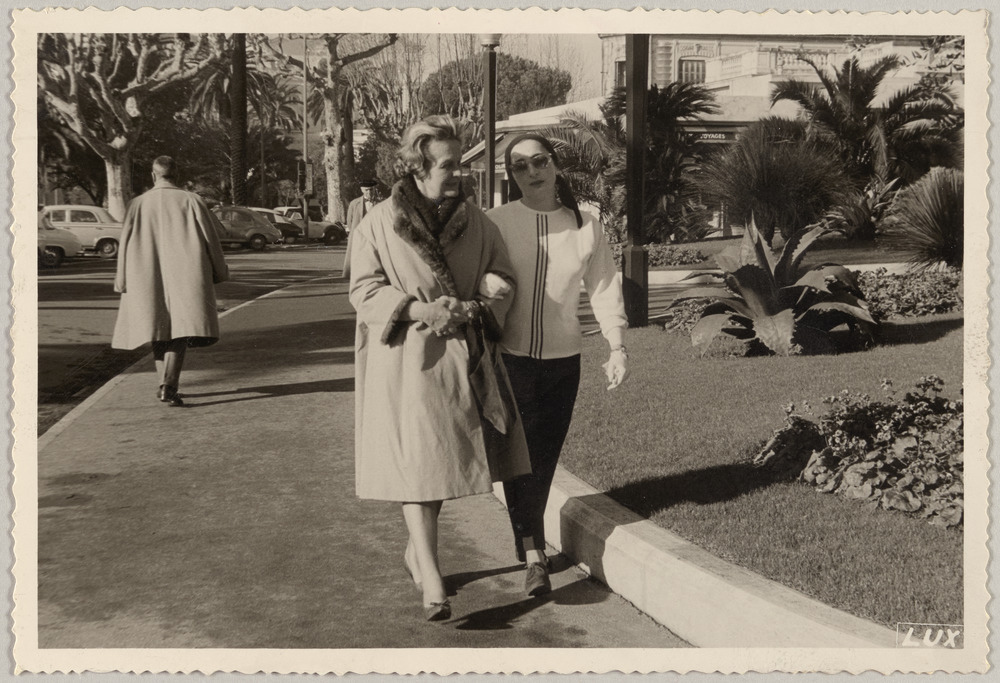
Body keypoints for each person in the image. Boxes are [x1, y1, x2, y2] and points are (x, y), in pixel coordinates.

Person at [349, 116, 530, 621]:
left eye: (458, 165)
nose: (458, 174)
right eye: (449, 165)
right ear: (418, 166)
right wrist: (419, 309)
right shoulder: (377, 223)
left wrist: (479, 302)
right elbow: (363, 290)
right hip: (407, 362)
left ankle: (417, 553)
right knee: (419, 468)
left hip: (462, 361)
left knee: (437, 467)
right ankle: (431, 576)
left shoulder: (479, 223)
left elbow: (503, 277)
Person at [486, 133, 630, 597]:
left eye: (540, 161)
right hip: (510, 360)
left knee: (543, 459)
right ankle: (533, 554)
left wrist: (617, 346)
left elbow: (604, 286)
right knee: (519, 458)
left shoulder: (585, 225)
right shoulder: (497, 222)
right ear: (511, 176)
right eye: (520, 166)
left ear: (554, 164)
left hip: (563, 363)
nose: (532, 171)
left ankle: (527, 540)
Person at [111, 156, 229, 406]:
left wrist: (121, 278)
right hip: (187, 273)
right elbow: (211, 240)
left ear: (153, 175)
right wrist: (220, 271)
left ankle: (164, 384)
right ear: (177, 174)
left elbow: (125, 244)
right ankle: (169, 385)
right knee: (180, 330)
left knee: (158, 329)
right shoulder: (192, 200)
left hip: (146, 273)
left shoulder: (137, 204)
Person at [340, 179, 378, 280]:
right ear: (362, 190)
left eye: (371, 190)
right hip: (359, 233)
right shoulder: (354, 203)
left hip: (375, 233)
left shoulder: (380, 203)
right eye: (366, 190)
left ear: (374, 189)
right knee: (358, 254)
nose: (369, 192)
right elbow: (350, 220)